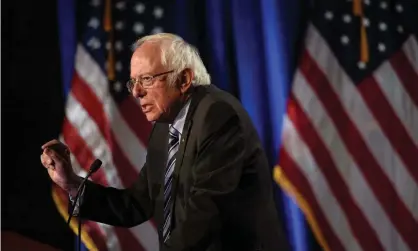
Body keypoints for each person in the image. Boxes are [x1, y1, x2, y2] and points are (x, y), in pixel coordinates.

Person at [40, 33, 289, 251]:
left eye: (147, 79)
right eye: (133, 82)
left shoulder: (218, 115)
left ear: (183, 80)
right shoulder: (164, 128)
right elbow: (136, 204)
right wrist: (71, 183)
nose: (136, 92)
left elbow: (206, 212)